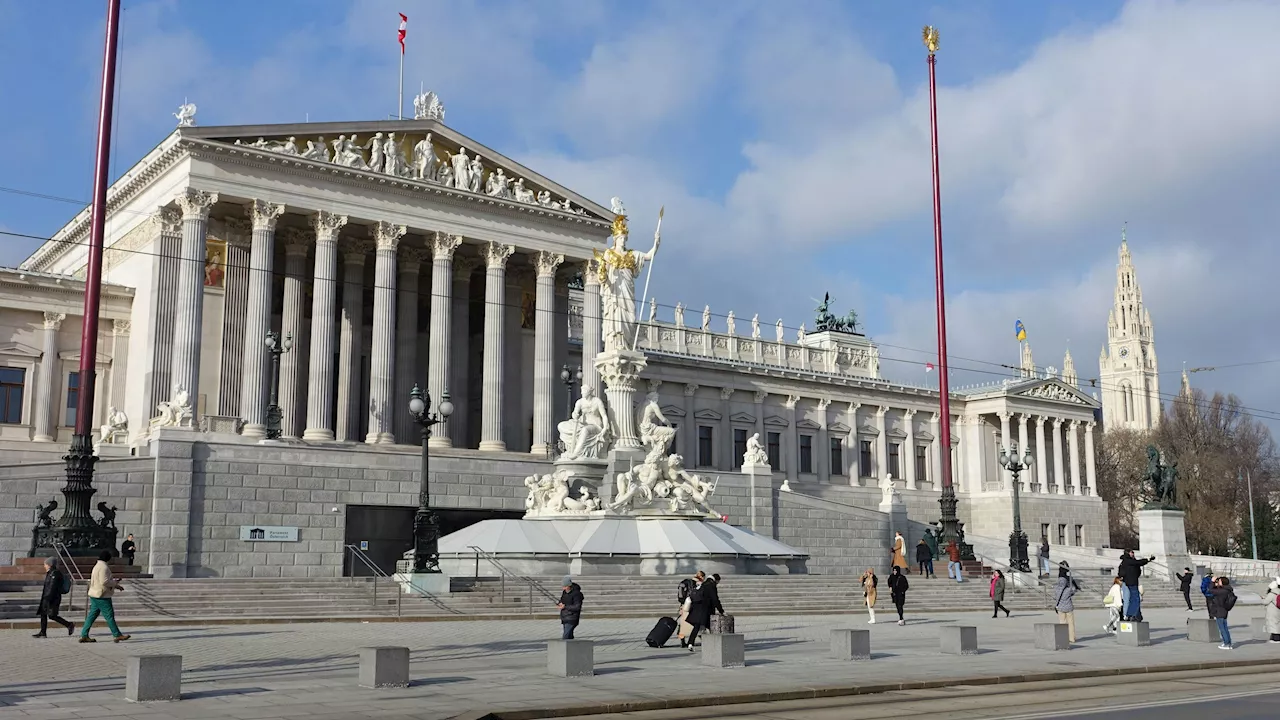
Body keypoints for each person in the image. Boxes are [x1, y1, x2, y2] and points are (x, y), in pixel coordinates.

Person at [79, 550, 129, 643]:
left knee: (92, 616)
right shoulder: (104, 567)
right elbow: (104, 582)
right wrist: (115, 583)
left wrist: (116, 585)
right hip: (102, 595)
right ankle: (117, 634)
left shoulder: (97, 566)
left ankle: (84, 635)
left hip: (94, 594)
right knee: (109, 615)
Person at [34, 558, 74, 638]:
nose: (44, 566)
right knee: (43, 614)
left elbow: (52, 587)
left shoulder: (55, 574)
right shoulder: (50, 573)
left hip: (52, 598)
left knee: (52, 615)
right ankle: (43, 632)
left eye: (45, 564)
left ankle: (69, 624)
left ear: (49, 565)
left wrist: (48, 597)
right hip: (47, 597)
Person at [1117, 550, 1153, 621]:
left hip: (1131, 581)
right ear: (1128, 553)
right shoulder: (1128, 561)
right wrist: (1148, 560)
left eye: (1133, 552)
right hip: (1130, 582)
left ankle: (1136, 615)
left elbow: (1137, 566)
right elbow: (1138, 563)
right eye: (1131, 552)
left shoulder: (1128, 561)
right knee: (1134, 599)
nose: (1133, 554)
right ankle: (1130, 615)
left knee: (1134, 599)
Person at [1052, 563, 1080, 643]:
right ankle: (1072, 638)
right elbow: (1074, 590)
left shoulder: (1057, 589)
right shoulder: (1068, 590)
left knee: (1062, 623)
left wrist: (1056, 605)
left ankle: (1064, 637)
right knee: (1071, 623)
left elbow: (1056, 596)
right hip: (1069, 607)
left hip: (1061, 607)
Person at [684, 572, 711, 651]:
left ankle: (690, 643)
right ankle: (712, 642)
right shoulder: (704, 588)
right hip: (702, 610)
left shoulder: (694, 588)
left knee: (697, 627)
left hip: (694, 610)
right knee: (707, 626)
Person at [1208, 576, 1237, 650]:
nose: (1218, 582)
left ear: (1223, 582)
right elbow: (1215, 590)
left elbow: (1210, 590)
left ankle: (1227, 643)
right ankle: (1228, 643)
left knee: (1222, 628)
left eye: (1220, 581)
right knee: (1225, 628)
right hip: (1224, 611)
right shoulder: (1227, 590)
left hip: (1220, 611)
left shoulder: (1222, 591)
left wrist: (1212, 581)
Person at [557, 575, 583, 640]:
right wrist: (559, 603)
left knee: (565, 637)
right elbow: (562, 600)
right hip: (565, 617)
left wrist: (565, 606)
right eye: (563, 586)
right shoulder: (565, 592)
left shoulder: (576, 594)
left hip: (572, 618)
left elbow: (577, 607)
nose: (563, 588)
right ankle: (573, 648)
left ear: (569, 586)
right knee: (569, 637)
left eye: (565, 586)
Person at [1264, 579, 1280, 644]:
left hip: (1272, 611)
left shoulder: (1272, 593)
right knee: (1277, 624)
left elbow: (1265, 602)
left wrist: (1263, 599)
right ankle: (1274, 638)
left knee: (1273, 625)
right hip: (1278, 610)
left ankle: (1276, 639)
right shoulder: (1278, 592)